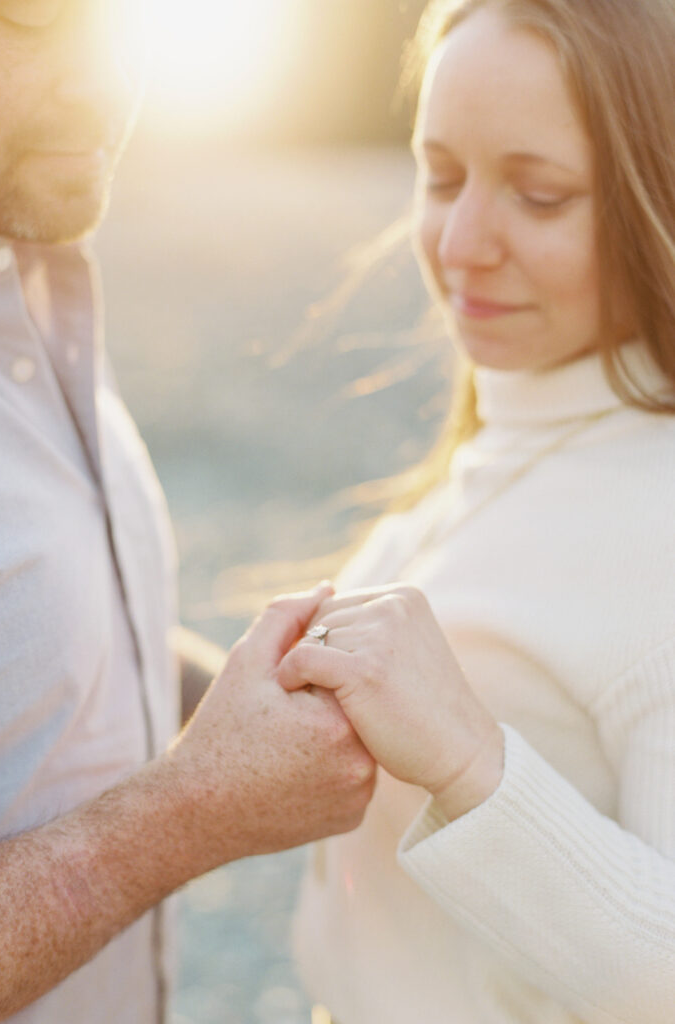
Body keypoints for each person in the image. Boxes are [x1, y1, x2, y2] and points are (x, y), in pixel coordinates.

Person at [0, 3, 376, 1022]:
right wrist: (194, 809)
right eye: (29, 23)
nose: (102, 85)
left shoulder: (21, 267)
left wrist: (289, 698)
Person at [279, 0, 675, 1022]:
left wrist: (468, 758)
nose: (461, 243)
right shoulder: (490, 458)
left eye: (538, 195)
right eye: (441, 176)